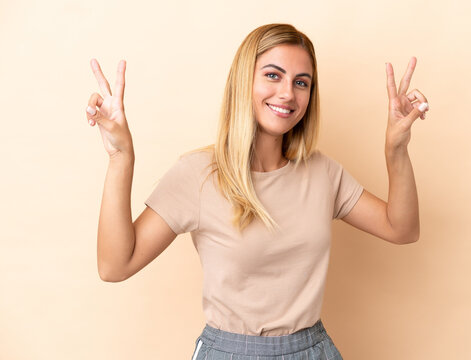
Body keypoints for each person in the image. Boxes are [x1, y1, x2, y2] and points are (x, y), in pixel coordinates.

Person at [86, 23, 429, 360]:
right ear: (244, 81)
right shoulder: (198, 175)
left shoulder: (321, 172)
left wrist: (396, 150)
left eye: (301, 83)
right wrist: (120, 157)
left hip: (314, 350)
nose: (287, 94)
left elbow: (401, 228)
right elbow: (115, 266)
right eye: (272, 75)